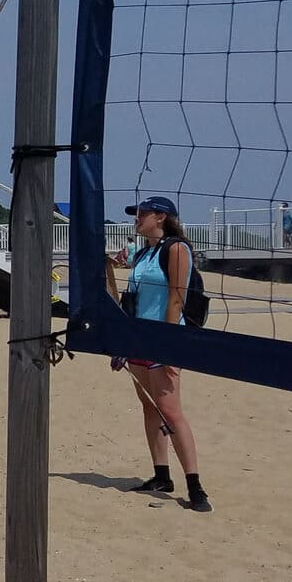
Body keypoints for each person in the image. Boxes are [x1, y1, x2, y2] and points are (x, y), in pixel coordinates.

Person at [105, 195, 211, 512]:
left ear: (161, 217)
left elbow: (176, 299)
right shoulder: (142, 253)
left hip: (163, 340)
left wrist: (166, 344)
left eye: (142, 214)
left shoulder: (176, 248)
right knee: (149, 407)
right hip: (138, 340)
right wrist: (107, 268)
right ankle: (161, 475)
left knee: (170, 410)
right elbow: (127, 300)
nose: (136, 218)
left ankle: (195, 486)